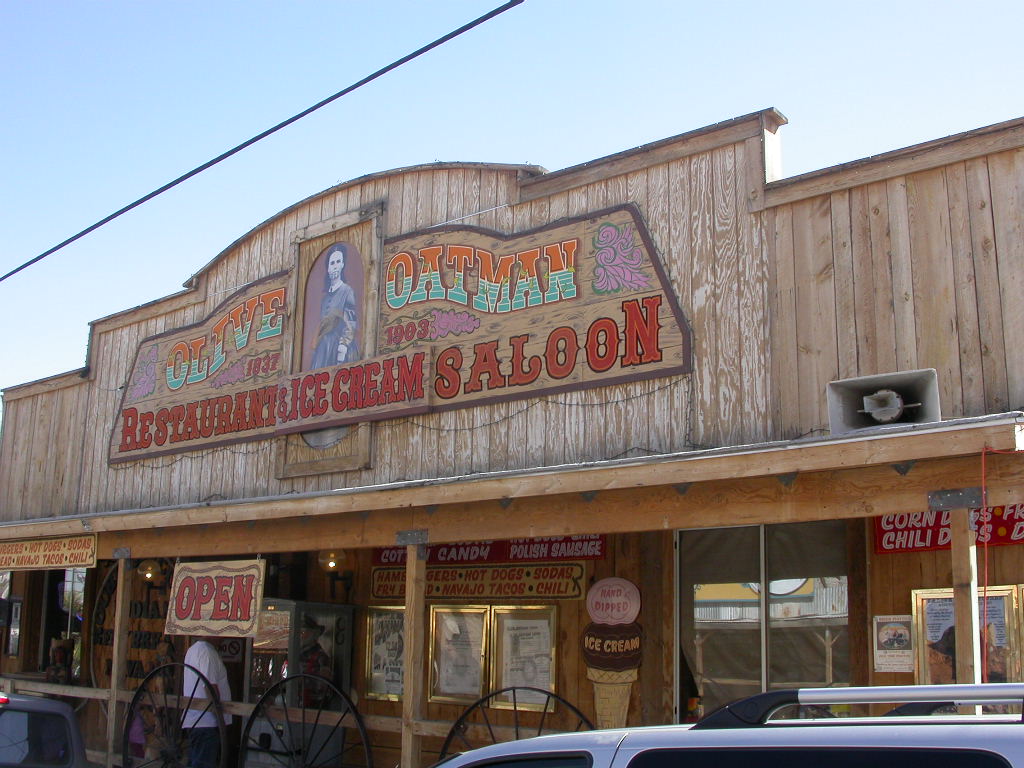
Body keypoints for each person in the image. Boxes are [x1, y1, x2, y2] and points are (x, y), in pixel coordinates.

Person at [183, 639, 231, 768]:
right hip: (207, 721)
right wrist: (220, 718)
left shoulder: (192, 650)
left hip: (195, 719)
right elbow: (210, 687)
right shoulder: (207, 652)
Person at [310, 243, 359, 368]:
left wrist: (343, 347)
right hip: (323, 350)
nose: (335, 266)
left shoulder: (347, 291)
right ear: (328, 268)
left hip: (338, 348)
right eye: (332, 263)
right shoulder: (325, 298)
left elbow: (350, 322)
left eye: (338, 262)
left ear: (342, 264)